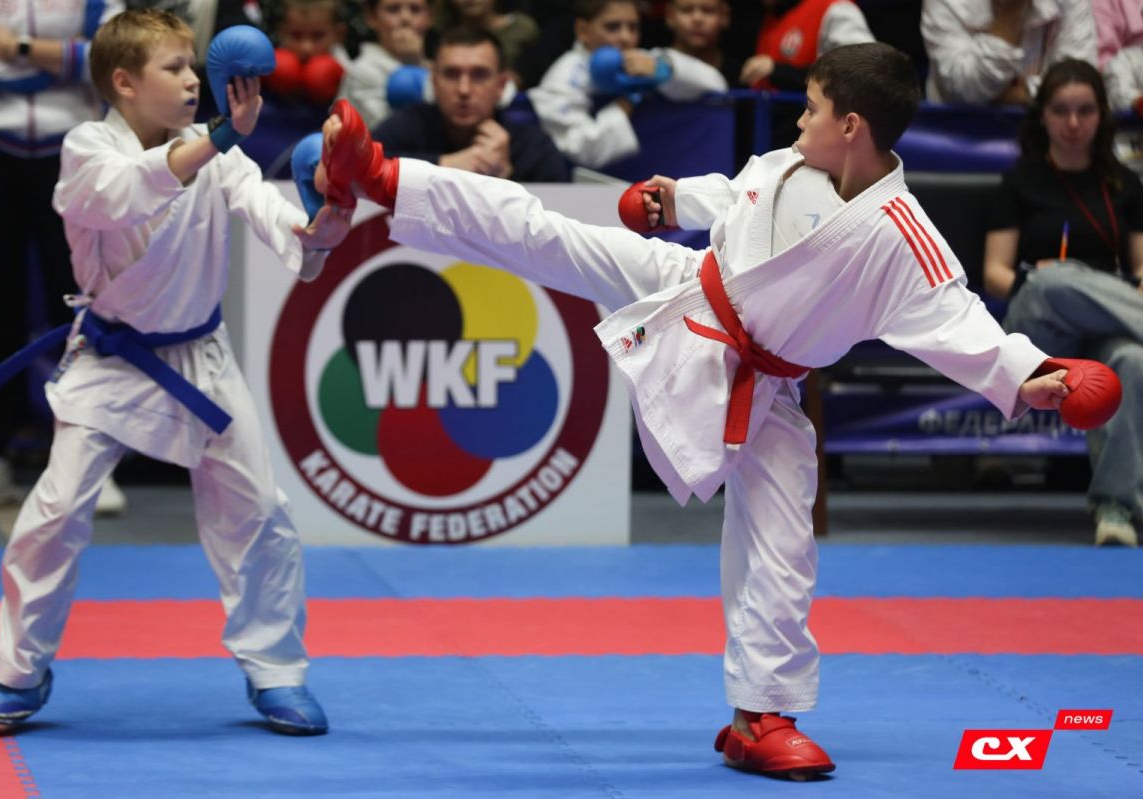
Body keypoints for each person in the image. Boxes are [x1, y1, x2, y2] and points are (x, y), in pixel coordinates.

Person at [316, 42, 1095, 776]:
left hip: (765, 384)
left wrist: (1031, 373)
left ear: (851, 127)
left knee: (783, 547)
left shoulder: (900, 237)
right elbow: (734, 191)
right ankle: (380, 177)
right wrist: (671, 200)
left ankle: (762, 717)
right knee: (541, 231)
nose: (798, 120)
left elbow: (956, 314)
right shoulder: (795, 162)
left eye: (811, 108)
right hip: (688, 284)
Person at [0, 10, 351, 734]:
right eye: (175, 68)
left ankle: (277, 671)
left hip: (202, 357)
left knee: (260, 510)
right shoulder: (86, 147)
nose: (193, 80)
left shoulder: (218, 154)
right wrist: (220, 139)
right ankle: (18, 671)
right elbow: (121, 195)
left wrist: (318, 228)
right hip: (111, 357)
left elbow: (275, 223)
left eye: (193, 67)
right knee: (53, 514)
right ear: (125, 82)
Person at [0, 0, 129, 516]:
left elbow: (113, 54)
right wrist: (47, 70)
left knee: (81, 306)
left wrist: (17, 48)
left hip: (74, 149)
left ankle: (91, 457)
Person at [984, 58, 1142, 547]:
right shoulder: (1019, 182)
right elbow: (995, 274)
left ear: (1101, 116)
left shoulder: (1124, 184)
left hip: (1106, 323)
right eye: (1061, 110)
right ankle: (1065, 281)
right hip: (1039, 327)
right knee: (1052, 280)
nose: (1074, 123)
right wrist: (1050, 278)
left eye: (1085, 110)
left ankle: (1116, 508)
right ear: (1044, 116)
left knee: (1133, 359)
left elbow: (1141, 271)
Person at [527, 0, 728, 170]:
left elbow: (718, 85)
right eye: (612, 27)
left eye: (633, 28)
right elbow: (580, 149)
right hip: (586, 190)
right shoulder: (562, 76)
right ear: (583, 30)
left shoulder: (644, 62)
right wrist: (625, 103)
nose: (625, 37)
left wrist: (664, 71)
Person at [373, 26, 569, 181]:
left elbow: (560, 209)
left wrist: (506, 179)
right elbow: (364, 164)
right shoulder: (408, 125)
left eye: (479, 75)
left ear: (501, 85)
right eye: (451, 74)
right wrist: (443, 165)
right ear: (434, 81)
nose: (464, 90)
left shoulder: (531, 144)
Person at [920, 0, 1097, 105]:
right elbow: (967, 90)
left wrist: (1025, 93)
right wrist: (1013, 12)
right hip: (959, 132)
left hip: (1047, 132)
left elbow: (1078, 80)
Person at [738, 0, 873, 90]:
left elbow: (861, 69)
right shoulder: (771, 17)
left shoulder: (835, 7)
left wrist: (778, 71)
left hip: (820, 122)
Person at [340, 0, 434, 127]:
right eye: (393, 9)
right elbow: (390, 131)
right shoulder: (362, 71)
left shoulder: (439, 67)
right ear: (371, 17)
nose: (405, 18)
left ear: (430, 17)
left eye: (415, 9)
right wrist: (411, 67)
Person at [665, 0, 742, 88]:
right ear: (670, 15)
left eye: (708, 10)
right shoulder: (653, 67)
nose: (697, 19)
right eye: (686, 10)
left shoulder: (742, 76)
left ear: (724, 15)